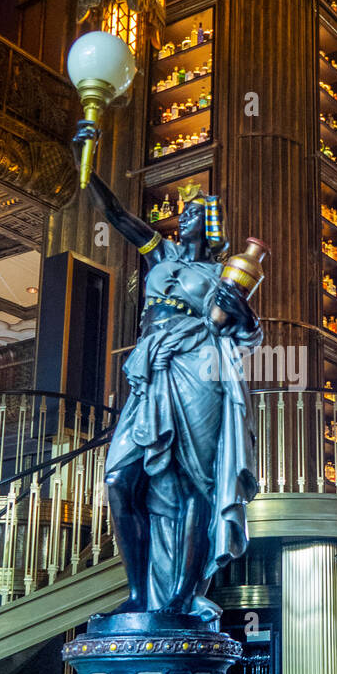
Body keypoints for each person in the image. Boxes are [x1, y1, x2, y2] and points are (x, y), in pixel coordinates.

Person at [72, 120, 262, 621]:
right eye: (184, 211)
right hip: (153, 369)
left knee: (197, 481)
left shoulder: (224, 272)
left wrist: (242, 311)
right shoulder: (159, 253)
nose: (186, 215)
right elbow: (115, 214)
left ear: (212, 224)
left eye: (196, 211)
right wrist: (86, 162)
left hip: (201, 368)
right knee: (119, 476)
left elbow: (248, 333)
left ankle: (181, 594)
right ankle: (139, 592)